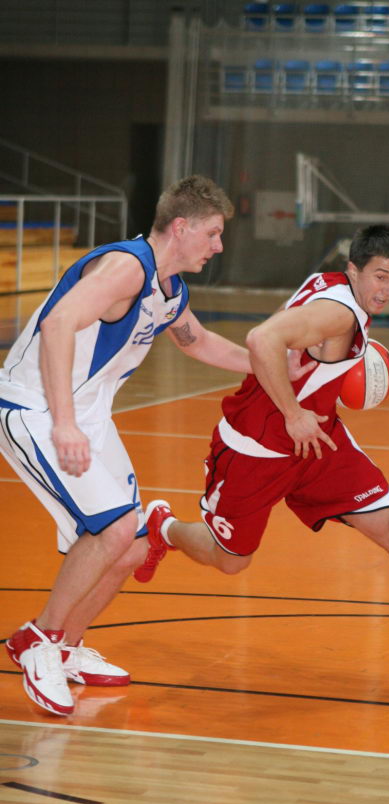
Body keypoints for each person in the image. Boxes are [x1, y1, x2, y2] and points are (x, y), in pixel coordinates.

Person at [135, 224, 389, 682]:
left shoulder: (330, 285)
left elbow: (288, 337)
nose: (388, 289)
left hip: (318, 441)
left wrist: (309, 390)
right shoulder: (339, 312)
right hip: (258, 448)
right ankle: (164, 528)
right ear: (354, 270)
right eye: (380, 276)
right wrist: (292, 411)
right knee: (231, 560)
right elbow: (262, 339)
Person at [0, 174, 313, 717]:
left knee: (135, 544)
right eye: (213, 233)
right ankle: (39, 640)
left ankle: (66, 647)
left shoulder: (169, 290)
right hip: (37, 409)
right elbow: (57, 324)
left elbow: (200, 342)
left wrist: (273, 365)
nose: (219, 245)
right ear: (181, 227)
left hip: (87, 416)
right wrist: (65, 425)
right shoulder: (127, 267)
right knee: (117, 527)